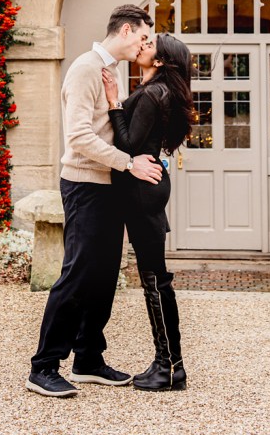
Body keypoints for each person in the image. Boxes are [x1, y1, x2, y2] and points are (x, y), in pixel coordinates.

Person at [26, 4, 162, 398]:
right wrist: (129, 164)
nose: (144, 45)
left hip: (109, 187)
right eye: (142, 37)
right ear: (125, 30)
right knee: (77, 275)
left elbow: (109, 128)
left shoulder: (110, 71)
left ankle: (87, 358)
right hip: (84, 186)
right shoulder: (85, 68)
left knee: (103, 277)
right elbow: (80, 137)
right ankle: (43, 366)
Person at [103, 32, 194, 392]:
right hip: (147, 189)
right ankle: (170, 365)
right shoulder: (156, 91)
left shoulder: (153, 94)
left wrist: (113, 101)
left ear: (160, 61)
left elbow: (129, 145)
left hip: (142, 191)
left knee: (155, 280)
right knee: (155, 279)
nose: (142, 45)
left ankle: (169, 367)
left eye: (150, 44)